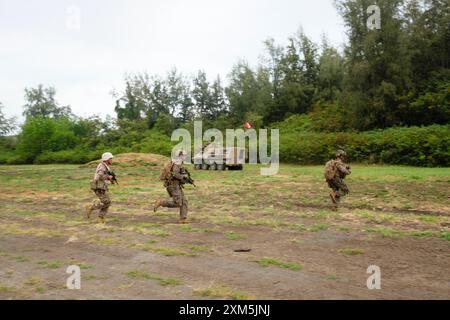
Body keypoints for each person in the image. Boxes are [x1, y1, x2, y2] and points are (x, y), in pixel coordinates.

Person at [153, 150, 190, 224]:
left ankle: (183, 218)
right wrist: (183, 178)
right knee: (178, 202)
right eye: (185, 155)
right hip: (173, 185)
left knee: (184, 201)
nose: (186, 157)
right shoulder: (176, 163)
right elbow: (175, 174)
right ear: (181, 155)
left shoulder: (176, 162)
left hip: (175, 185)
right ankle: (161, 202)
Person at [86, 152, 116, 223]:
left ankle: (101, 217)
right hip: (99, 188)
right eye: (110, 159)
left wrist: (110, 179)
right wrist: (108, 177)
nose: (112, 160)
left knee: (107, 202)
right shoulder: (102, 166)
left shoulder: (105, 166)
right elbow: (100, 175)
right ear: (106, 159)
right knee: (107, 202)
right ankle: (91, 208)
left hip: (101, 187)